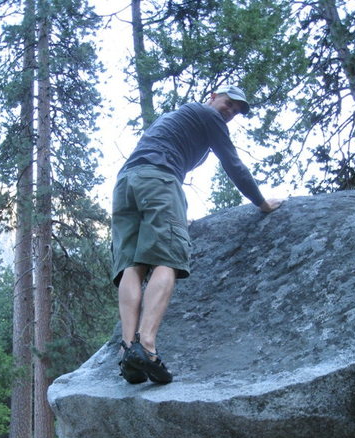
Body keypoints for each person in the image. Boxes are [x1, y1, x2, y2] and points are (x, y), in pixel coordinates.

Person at [111, 84, 282, 385]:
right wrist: (262, 202)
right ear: (213, 97)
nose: (230, 113)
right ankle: (146, 346)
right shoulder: (206, 114)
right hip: (159, 178)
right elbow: (233, 164)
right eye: (229, 104)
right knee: (167, 258)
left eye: (236, 111)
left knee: (132, 265)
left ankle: (128, 351)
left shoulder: (176, 117)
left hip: (126, 184)